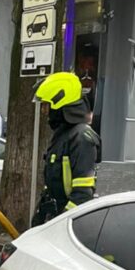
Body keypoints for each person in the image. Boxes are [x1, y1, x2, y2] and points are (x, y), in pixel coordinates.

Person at [33, 72, 100, 225]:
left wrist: (60, 224)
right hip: (54, 218)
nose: (44, 111)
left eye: (47, 105)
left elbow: (82, 195)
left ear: (60, 104)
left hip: (67, 225)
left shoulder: (81, 137)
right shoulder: (63, 135)